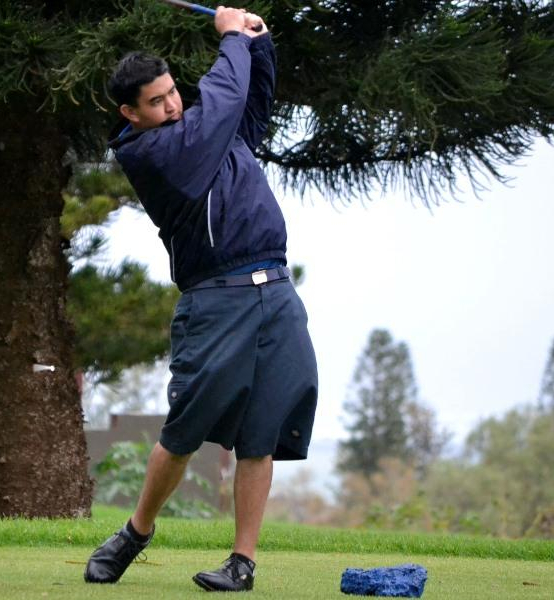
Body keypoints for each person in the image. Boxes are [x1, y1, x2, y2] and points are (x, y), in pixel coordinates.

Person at [84, 6, 318, 593]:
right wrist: (231, 38)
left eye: (171, 94)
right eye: (156, 102)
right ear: (130, 114)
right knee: (185, 429)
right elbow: (221, 97)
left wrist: (258, 47)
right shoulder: (151, 155)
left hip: (275, 291)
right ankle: (136, 532)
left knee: (262, 432)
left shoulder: (209, 130)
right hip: (216, 300)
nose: (170, 105)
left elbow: (247, 103)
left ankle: (242, 562)